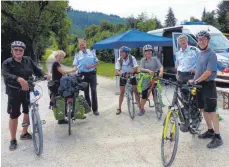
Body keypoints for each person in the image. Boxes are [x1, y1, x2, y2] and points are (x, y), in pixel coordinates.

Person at [2, 41, 51, 151]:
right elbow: (5, 74)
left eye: (21, 50)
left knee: (28, 110)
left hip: (29, 89)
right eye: (16, 50)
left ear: (23, 51)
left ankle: (24, 133)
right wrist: (18, 79)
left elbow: (37, 70)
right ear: (12, 51)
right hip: (14, 92)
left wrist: (44, 75)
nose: (18, 51)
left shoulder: (28, 60)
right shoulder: (7, 63)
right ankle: (13, 139)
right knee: (13, 115)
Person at [189, 30, 223, 148]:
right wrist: (193, 78)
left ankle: (218, 137)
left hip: (208, 86)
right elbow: (198, 71)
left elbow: (208, 73)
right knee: (203, 109)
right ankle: (210, 131)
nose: (201, 41)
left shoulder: (211, 54)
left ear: (208, 40)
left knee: (212, 111)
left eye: (204, 39)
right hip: (199, 86)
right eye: (199, 39)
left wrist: (196, 81)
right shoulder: (199, 54)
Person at [73, 39, 99, 116]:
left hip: (92, 74)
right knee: (86, 92)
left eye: (83, 45)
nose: (82, 46)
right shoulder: (77, 54)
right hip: (83, 74)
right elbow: (75, 65)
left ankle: (95, 109)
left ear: (86, 45)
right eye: (81, 45)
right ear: (79, 47)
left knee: (94, 91)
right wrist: (75, 71)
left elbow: (97, 62)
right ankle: (88, 107)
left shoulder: (92, 52)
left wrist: (91, 66)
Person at [50, 50, 77, 124]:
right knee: (69, 95)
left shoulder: (57, 63)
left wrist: (67, 75)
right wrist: (73, 70)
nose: (62, 57)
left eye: (63, 56)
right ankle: (70, 114)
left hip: (57, 84)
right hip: (58, 84)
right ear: (57, 56)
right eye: (61, 56)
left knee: (61, 100)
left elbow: (61, 73)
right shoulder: (56, 63)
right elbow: (63, 72)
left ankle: (63, 116)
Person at [139, 44, 163, 116]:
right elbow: (141, 69)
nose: (148, 52)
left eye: (150, 51)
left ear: (151, 52)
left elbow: (161, 66)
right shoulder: (143, 60)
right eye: (147, 51)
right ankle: (141, 109)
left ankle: (158, 107)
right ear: (144, 52)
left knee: (155, 93)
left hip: (154, 78)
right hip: (146, 79)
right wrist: (148, 70)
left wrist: (161, 72)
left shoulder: (155, 59)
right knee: (144, 95)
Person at [115, 46, 140, 115]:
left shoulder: (132, 58)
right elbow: (117, 70)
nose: (122, 54)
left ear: (127, 53)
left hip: (131, 76)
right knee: (122, 92)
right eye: (121, 52)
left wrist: (129, 73)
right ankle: (119, 108)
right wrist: (121, 74)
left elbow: (135, 68)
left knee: (136, 91)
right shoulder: (119, 60)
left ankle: (140, 106)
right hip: (123, 77)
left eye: (123, 52)